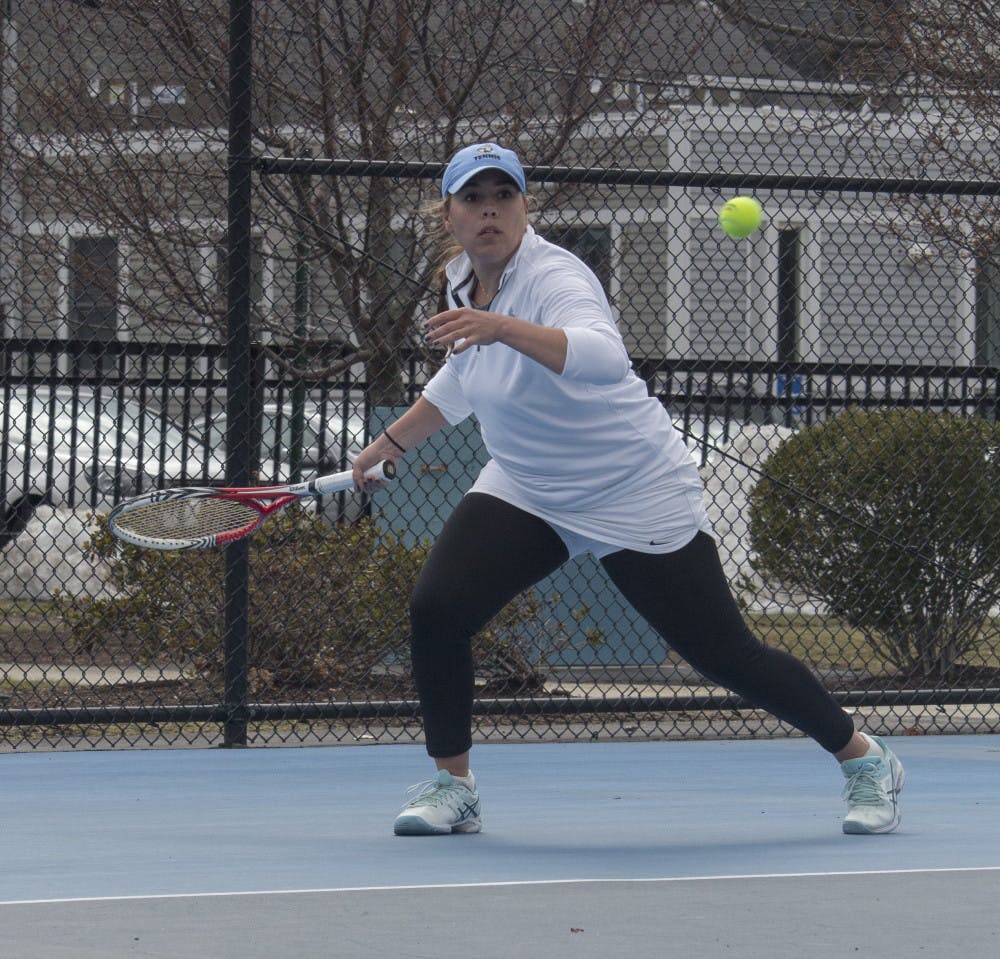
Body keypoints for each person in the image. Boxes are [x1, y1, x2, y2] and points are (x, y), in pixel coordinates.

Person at [351, 141, 904, 838]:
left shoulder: (557, 275)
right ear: (450, 214)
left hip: (632, 489)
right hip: (528, 485)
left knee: (722, 654)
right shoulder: (462, 281)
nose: (489, 210)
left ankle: (864, 757)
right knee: (438, 610)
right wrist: (390, 443)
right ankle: (453, 786)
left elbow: (604, 357)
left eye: (503, 196)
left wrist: (503, 328)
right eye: (473, 198)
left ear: (525, 207)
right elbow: (463, 377)